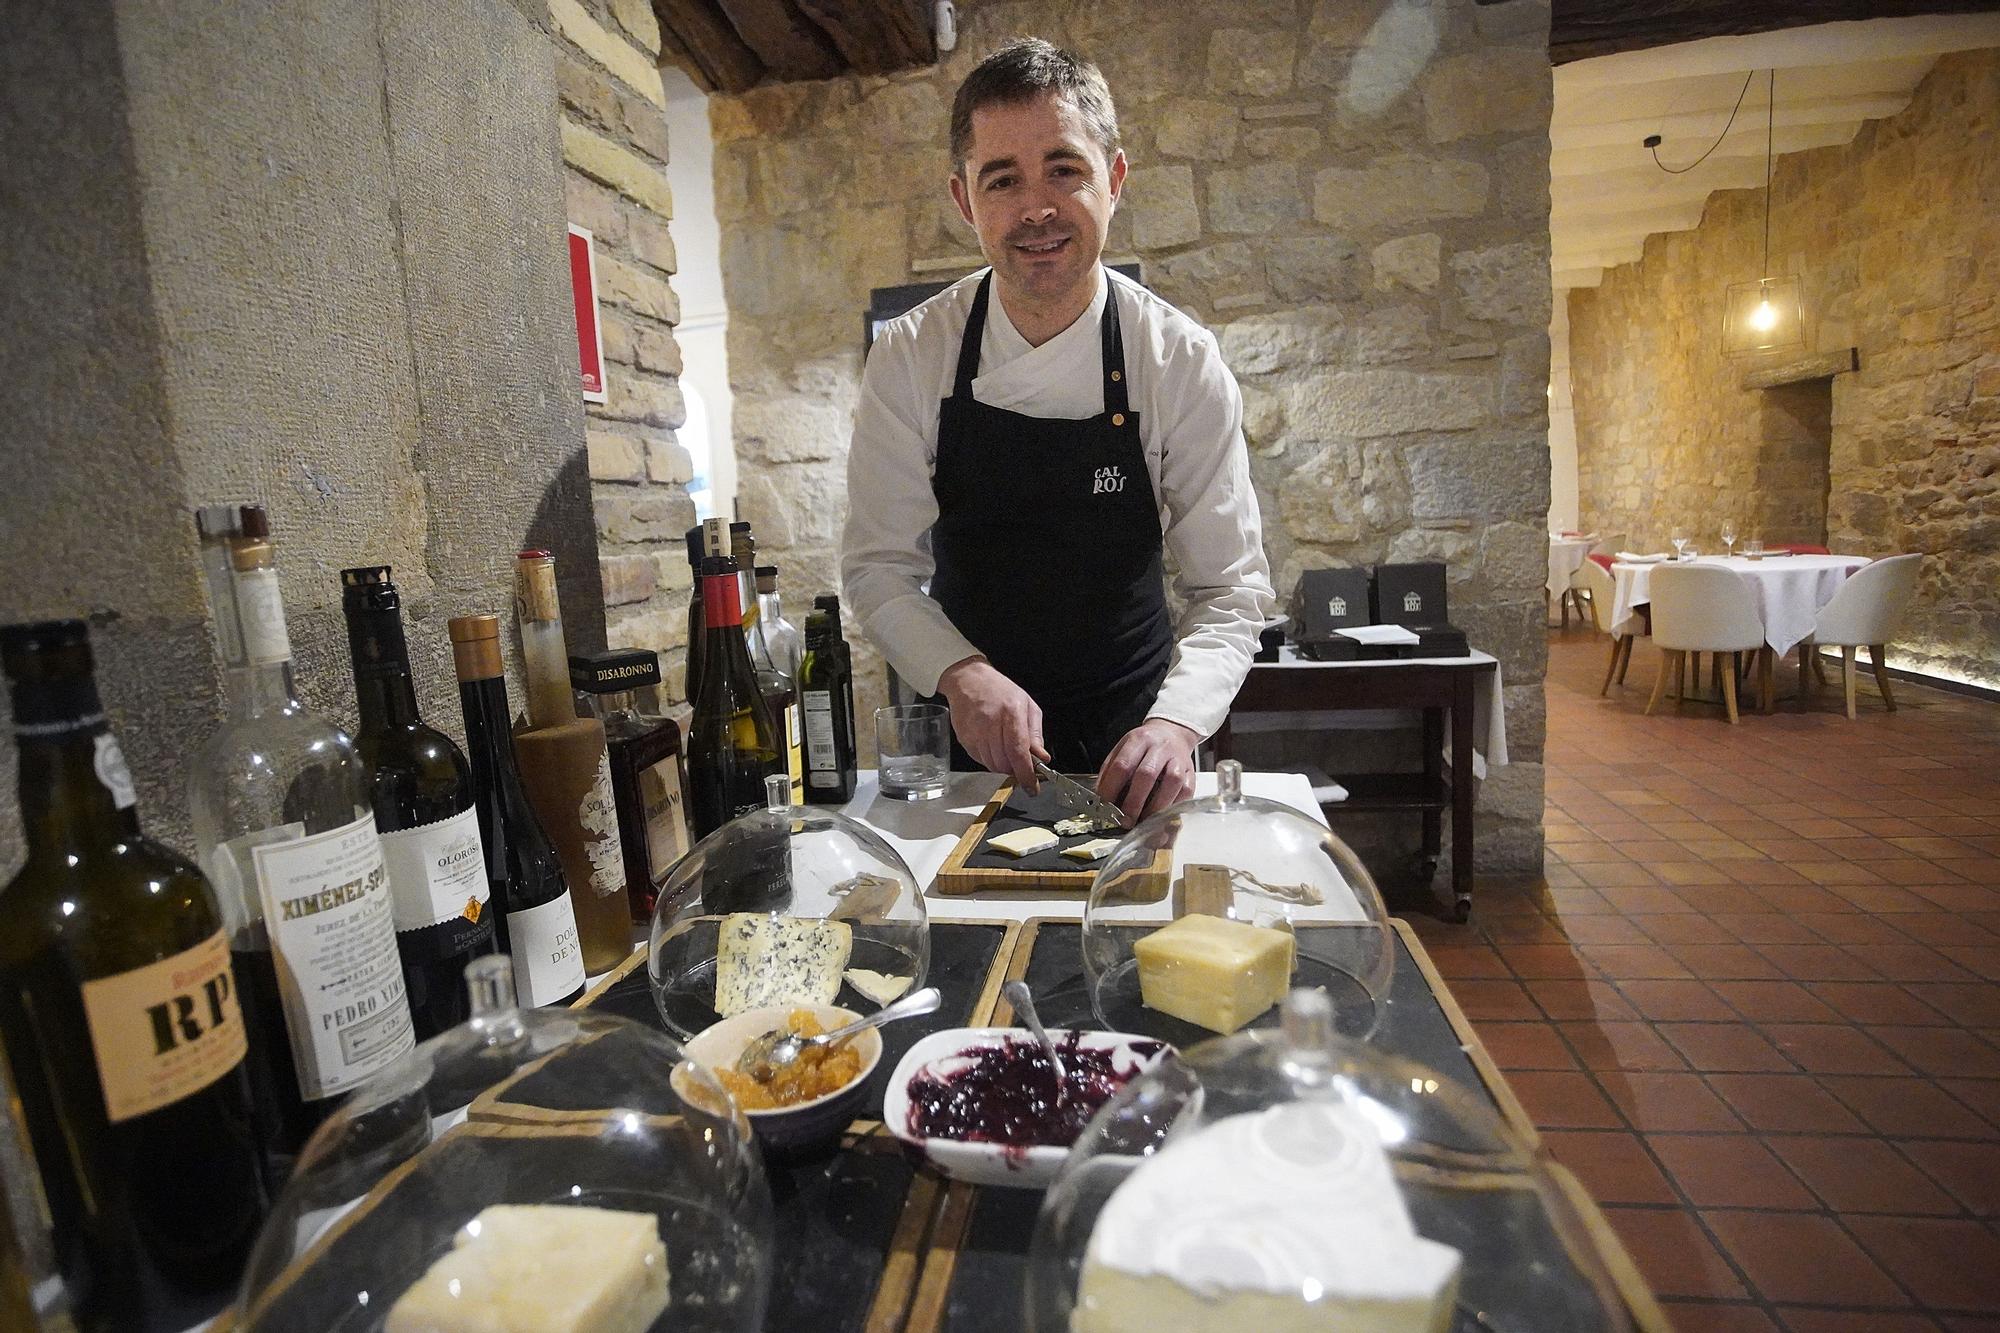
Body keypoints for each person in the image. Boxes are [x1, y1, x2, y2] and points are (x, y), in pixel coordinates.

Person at [841, 37, 1273, 821]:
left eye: (1064, 170)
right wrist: (961, 673)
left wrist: (1178, 723)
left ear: (1114, 178)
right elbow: (878, 570)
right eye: (1002, 179)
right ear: (965, 200)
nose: (1036, 208)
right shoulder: (910, 355)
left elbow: (1229, 588)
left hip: (1135, 747)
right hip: (963, 756)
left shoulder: (1176, 359)